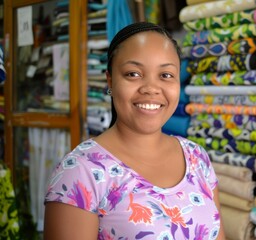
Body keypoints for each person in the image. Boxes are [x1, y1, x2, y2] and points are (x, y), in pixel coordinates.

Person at [43, 22, 225, 240]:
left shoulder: (197, 158)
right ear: (110, 80)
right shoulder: (81, 172)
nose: (151, 88)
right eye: (133, 73)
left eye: (166, 75)